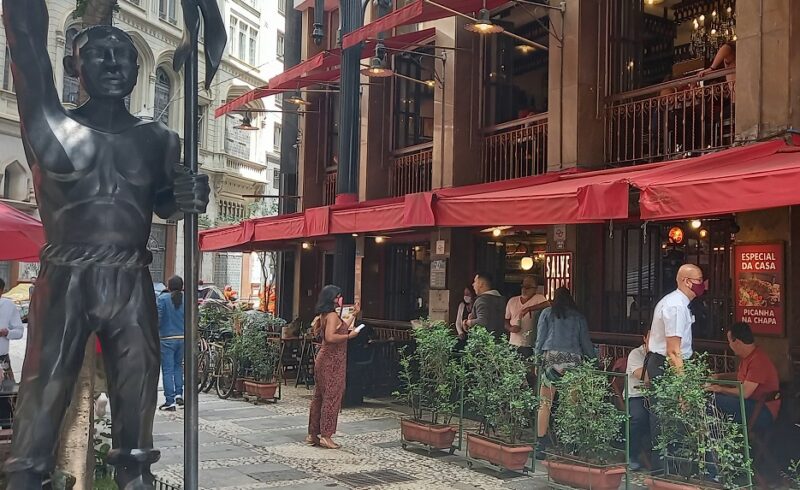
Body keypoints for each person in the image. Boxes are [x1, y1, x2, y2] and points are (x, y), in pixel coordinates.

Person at [2, 1, 211, 486]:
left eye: (124, 57)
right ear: (75, 65)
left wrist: (188, 196)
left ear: (139, 68)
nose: (114, 65)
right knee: (42, 392)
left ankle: (134, 476)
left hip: (132, 280)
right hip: (66, 278)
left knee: (137, 401)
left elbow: (165, 204)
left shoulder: (160, 139)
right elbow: (26, 41)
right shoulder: (49, 123)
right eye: (99, 55)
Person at [645, 264, 705, 470]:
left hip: (664, 363)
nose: (702, 284)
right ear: (687, 281)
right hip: (667, 366)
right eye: (699, 279)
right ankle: (667, 469)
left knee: (667, 418)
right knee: (668, 418)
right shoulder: (676, 306)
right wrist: (684, 386)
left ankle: (669, 468)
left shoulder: (676, 303)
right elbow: (673, 351)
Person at [534, 287, 594, 459]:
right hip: (573, 361)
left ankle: (541, 445)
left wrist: (537, 359)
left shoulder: (547, 313)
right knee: (571, 405)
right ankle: (570, 444)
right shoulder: (578, 316)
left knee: (545, 404)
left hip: (551, 358)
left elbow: (540, 338)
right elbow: (585, 342)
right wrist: (593, 360)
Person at [307, 285, 361, 449]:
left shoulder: (327, 315)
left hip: (327, 359)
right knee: (332, 397)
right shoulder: (331, 315)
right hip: (332, 361)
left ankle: (313, 433)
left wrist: (354, 315)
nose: (341, 299)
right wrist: (349, 336)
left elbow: (341, 327)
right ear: (332, 299)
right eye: (338, 296)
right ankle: (326, 435)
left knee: (320, 397)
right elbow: (331, 337)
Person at [707, 322, 780, 431]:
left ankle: (715, 437)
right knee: (714, 399)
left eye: (729, 341)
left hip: (762, 411)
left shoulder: (758, 361)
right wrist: (718, 377)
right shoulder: (749, 357)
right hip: (752, 404)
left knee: (711, 400)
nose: (729, 345)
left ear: (737, 342)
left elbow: (745, 392)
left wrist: (720, 388)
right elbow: (742, 376)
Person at [157, 276, 185, 411]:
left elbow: (159, 318)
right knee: (178, 367)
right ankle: (179, 394)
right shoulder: (187, 299)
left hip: (167, 338)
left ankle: (170, 400)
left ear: (168, 286)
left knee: (167, 370)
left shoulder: (162, 299)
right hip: (183, 337)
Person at [505, 275, 549, 359]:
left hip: (529, 343)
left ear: (535, 289)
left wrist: (529, 309)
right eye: (523, 286)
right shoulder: (512, 300)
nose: (524, 289)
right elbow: (506, 320)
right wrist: (510, 328)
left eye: (528, 287)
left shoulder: (538, 298)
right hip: (513, 342)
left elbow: (547, 304)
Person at [626, 329, 651, 471]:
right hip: (636, 395)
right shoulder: (636, 354)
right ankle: (632, 455)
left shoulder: (662, 355)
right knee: (638, 418)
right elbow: (643, 376)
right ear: (645, 338)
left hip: (656, 396)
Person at [464, 273, 506, 342]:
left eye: (475, 281)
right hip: (499, 342)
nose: (473, 284)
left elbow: (482, 321)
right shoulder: (500, 299)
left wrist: (468, 322)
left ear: (481, 284)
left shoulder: (482, 300)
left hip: (484, 344)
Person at [0, 279, 24, 381]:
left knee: (6, 394)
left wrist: (7, 333)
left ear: (1, 291)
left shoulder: (8, 305)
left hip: (2, 360)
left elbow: (19, 332)